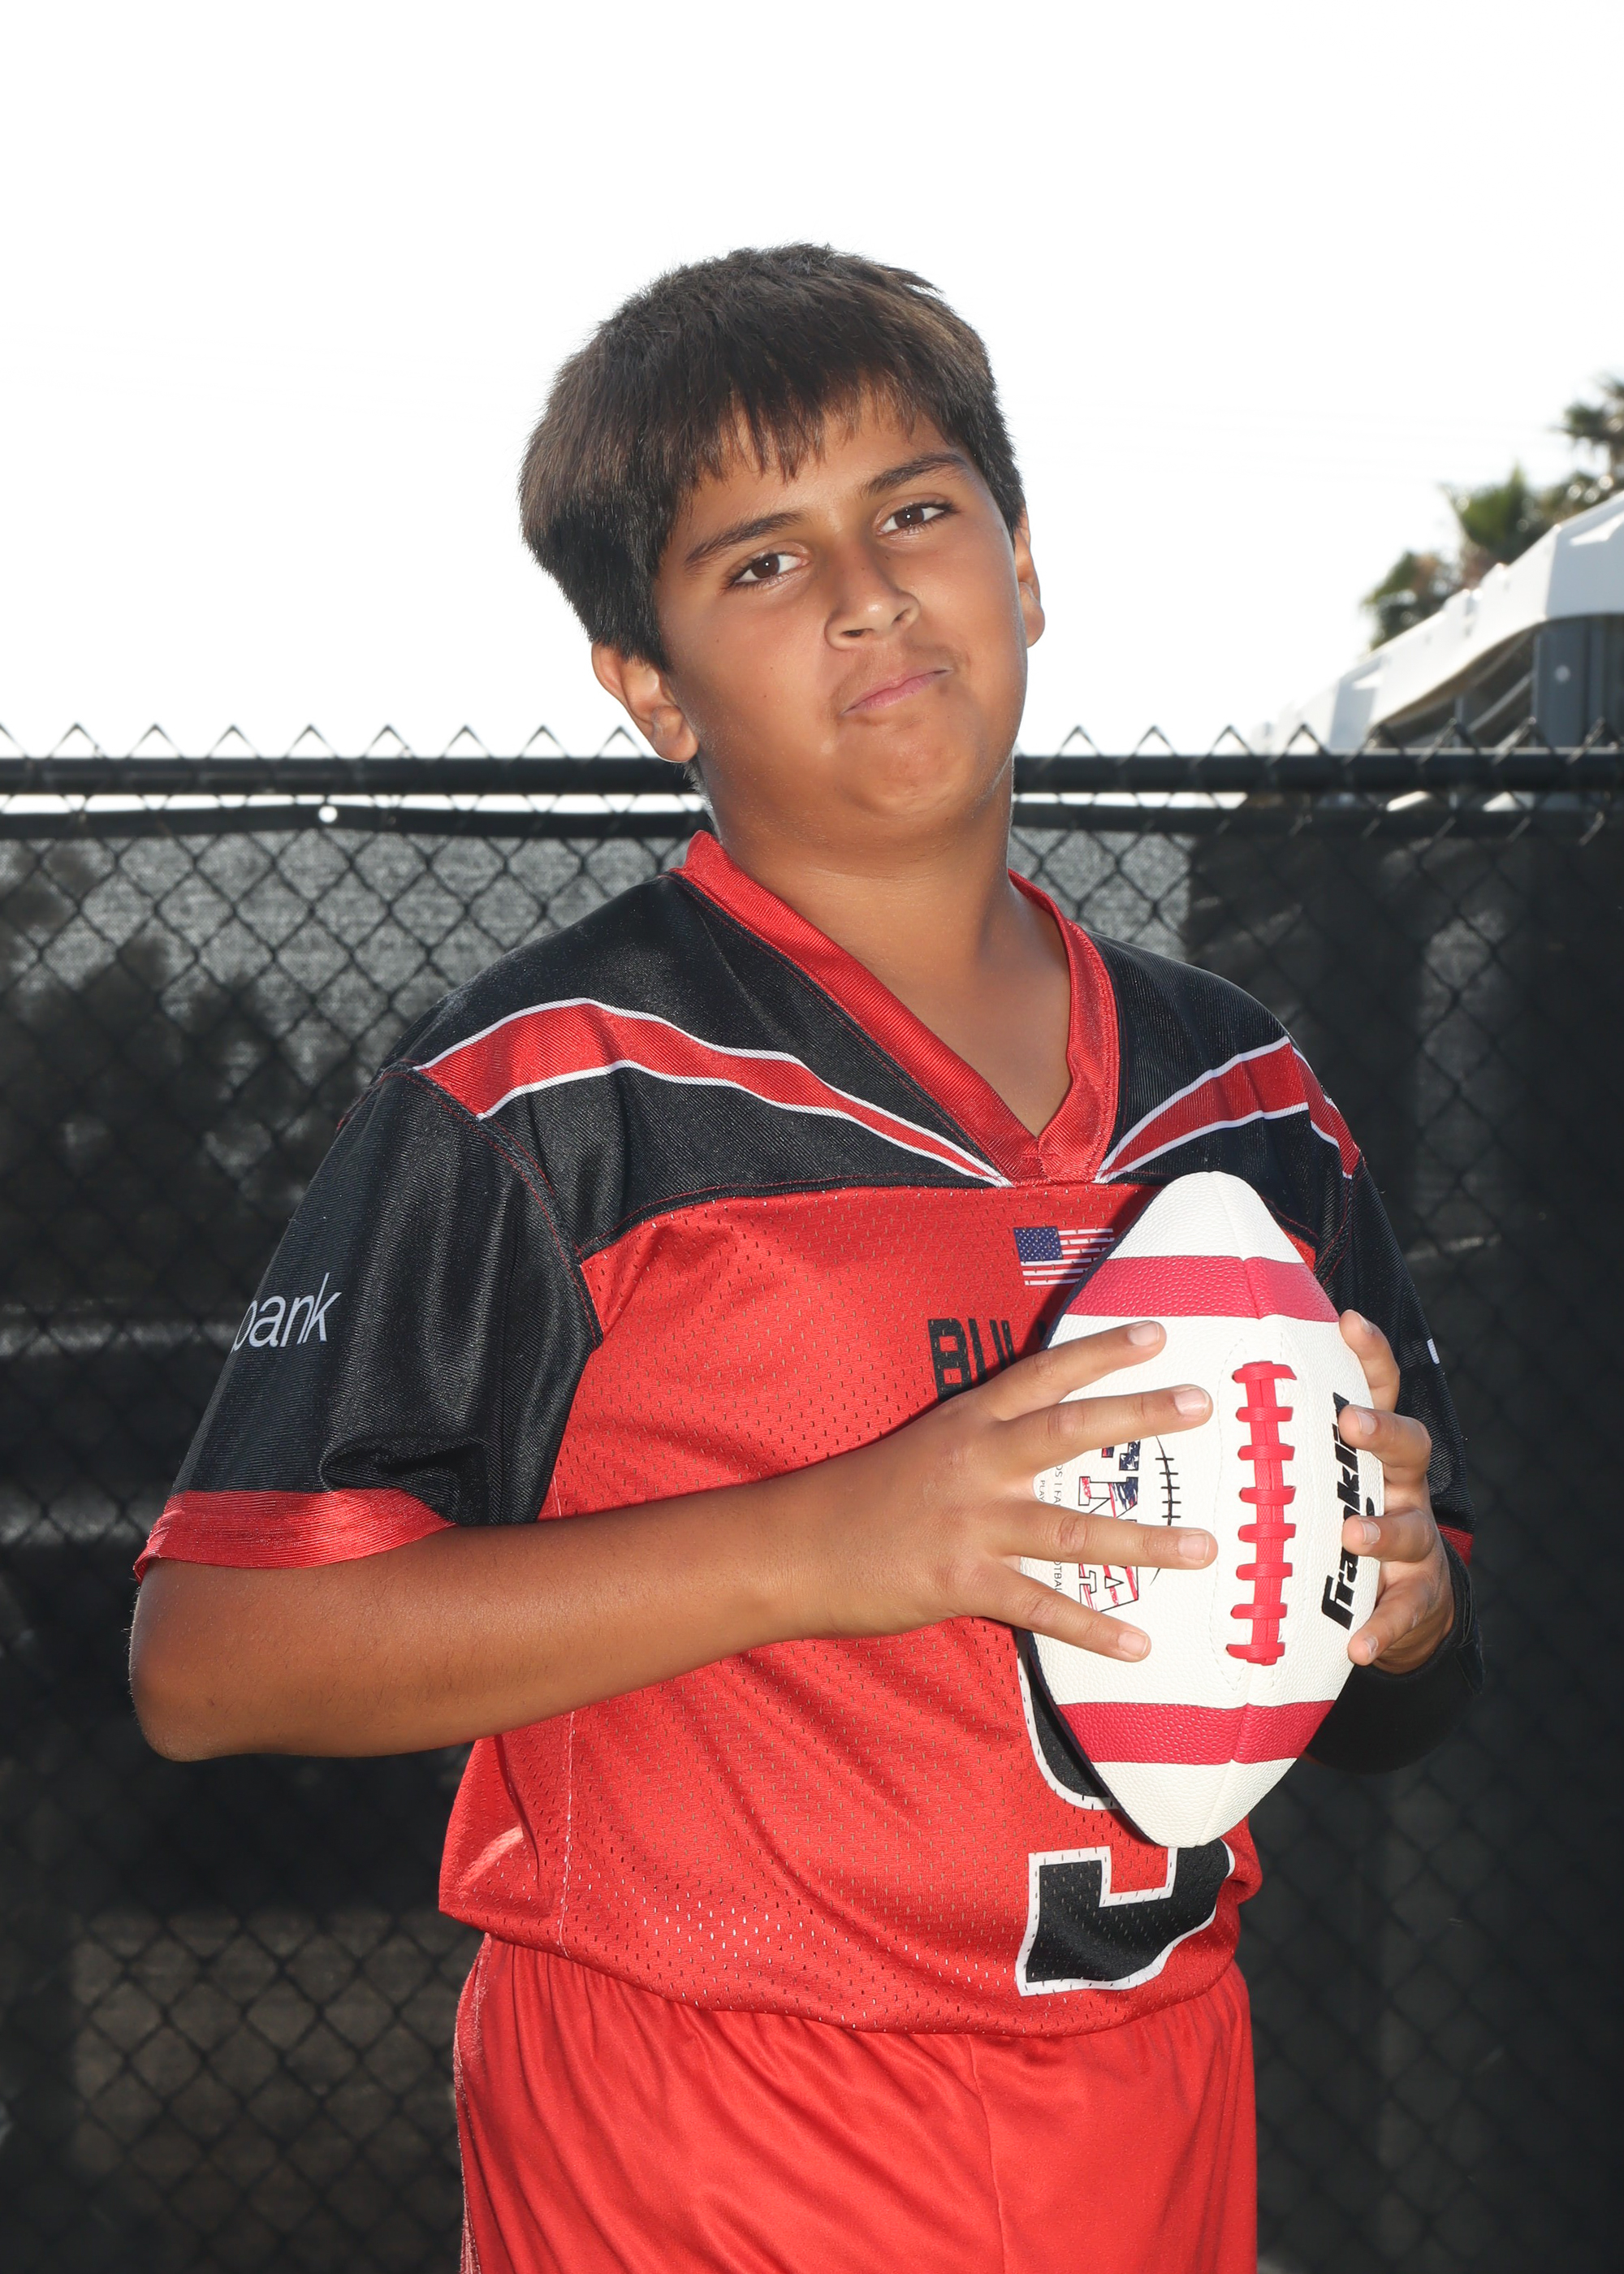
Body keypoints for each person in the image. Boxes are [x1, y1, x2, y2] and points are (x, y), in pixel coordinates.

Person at [129, 246, 1482, 2274]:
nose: (866, 592)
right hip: (705, 2133)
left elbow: (1401, 1693)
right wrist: (828, 1542)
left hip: (1151, 2102)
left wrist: (1405, 1605)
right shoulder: (554, 1089)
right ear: (649, 685)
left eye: (914, 510)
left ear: (1022, 566)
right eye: (762, 560)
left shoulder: (1246, 1094)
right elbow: (210, 1659)